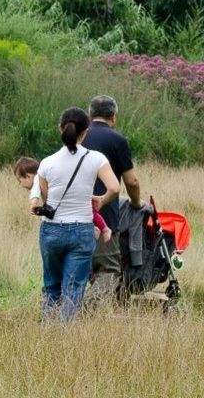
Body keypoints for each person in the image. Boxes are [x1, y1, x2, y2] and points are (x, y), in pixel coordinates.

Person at [35, 107, 120, 322]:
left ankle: (48, 333)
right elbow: (115, 187)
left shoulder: (47, 162)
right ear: (86, 131)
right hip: (81, 229)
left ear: (60, 129)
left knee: (51, 286)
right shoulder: (96, 159)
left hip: (52, 230)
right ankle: (66, 337)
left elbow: (45, 197)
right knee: (73, 288)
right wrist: (101, 200)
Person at [82, 95, 144, 307]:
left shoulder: (78, 137)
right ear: (114, 117)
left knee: (77, 268)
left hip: (71, 215)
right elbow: (131, 181)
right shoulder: (118, 140)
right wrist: (136, 204)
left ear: (90, 115)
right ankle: (85, 311)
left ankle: (64, 312)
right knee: (108, 270)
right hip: (103, 218)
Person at [13, 157, 112, 244]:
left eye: (19, 181)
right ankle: (93, 229)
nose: (20, 185)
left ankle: (104, 229)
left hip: (73, 200)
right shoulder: (49, 173)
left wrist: (33, 203)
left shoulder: (38, 177)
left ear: (28, 176)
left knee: (90, 213)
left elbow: (35, 192)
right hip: (75, 197)